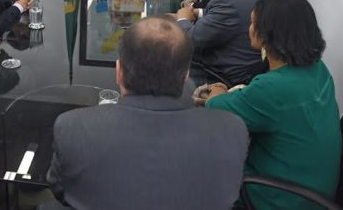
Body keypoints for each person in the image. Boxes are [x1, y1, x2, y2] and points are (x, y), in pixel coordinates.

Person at [44, 17, 249, 210]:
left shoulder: (72, 127)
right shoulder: (233, 130)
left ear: (119, 72)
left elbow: (60, 190)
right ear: (186, 76)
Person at [202, 0, 342, 209]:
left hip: (277, 198)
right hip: (314, 195)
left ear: (267, 35)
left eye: (252, 23)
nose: (248, 29)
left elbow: (215, 108)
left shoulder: (272, 89)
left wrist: (217, 88)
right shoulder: (319, 70)